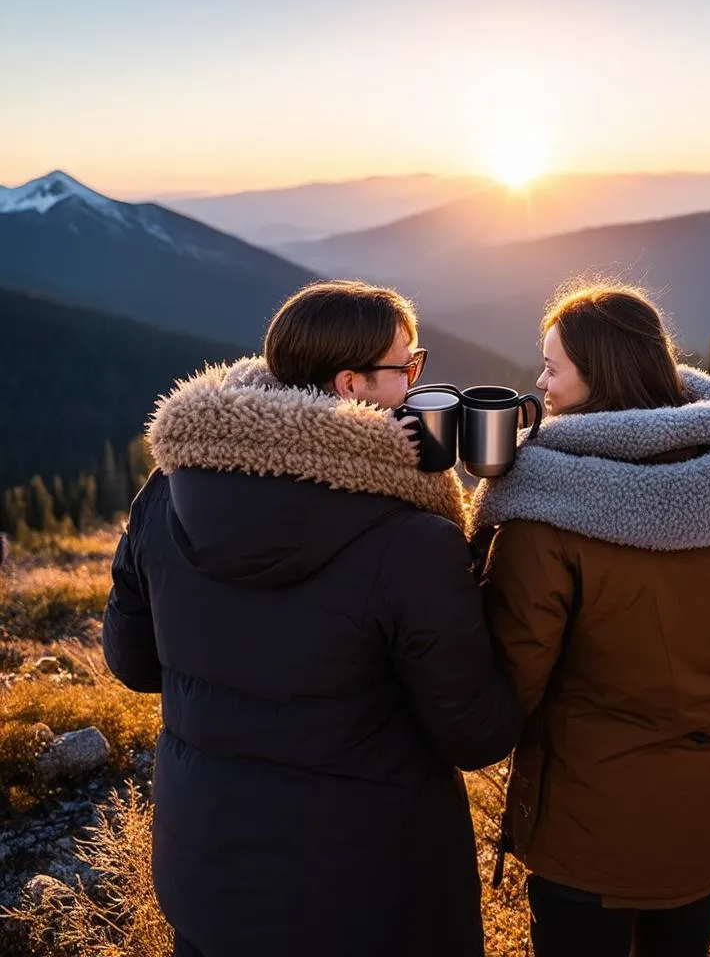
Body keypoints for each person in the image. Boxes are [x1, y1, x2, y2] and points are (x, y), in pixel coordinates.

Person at [103, 280, 523, 957]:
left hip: (209, 876)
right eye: (406, 367)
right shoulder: (413, 541)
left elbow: (131, 662)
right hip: (374, 898)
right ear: (351, 384)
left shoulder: (166, 489)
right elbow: (476, 736)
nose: (416, 386)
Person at [468, 282, 710, 957]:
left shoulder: (545, 510)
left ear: (601, 376)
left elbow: (514, 678)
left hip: (592, 829)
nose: (540, 383)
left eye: (553, 367)